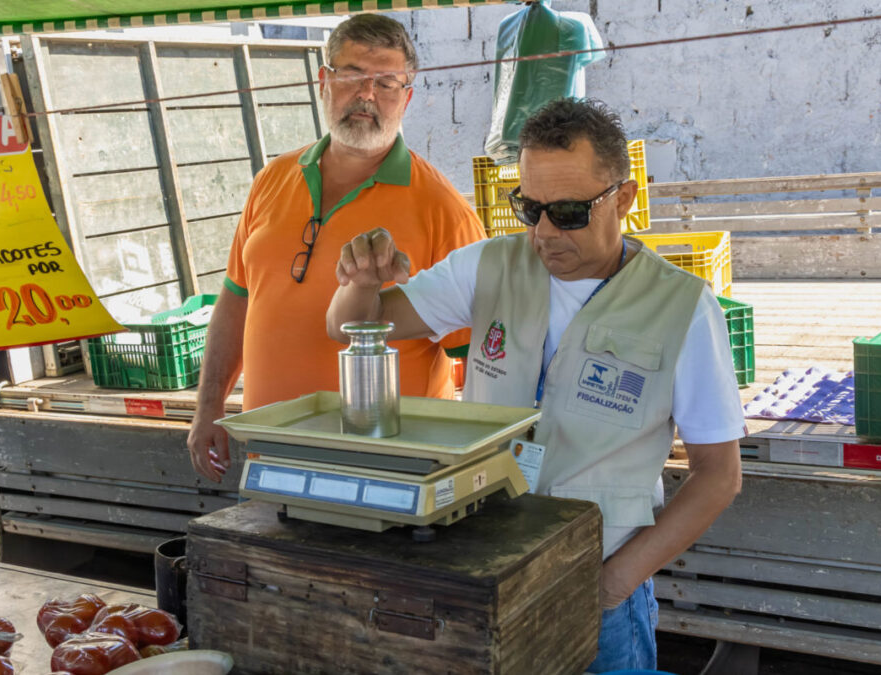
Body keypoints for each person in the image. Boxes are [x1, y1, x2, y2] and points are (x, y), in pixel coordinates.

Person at [326, 98, 743, 672]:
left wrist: (611, 584)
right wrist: (360, 281)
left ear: (623, 198)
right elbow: (355, 324)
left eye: (569, 211)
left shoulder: (683, 308)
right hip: (483, 570)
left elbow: (718, 476)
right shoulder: (490, 266)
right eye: (530, 207)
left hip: (601, 588)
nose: (545, 232)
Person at [188, 14, 485, 482]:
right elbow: (235, 303)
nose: (368, 95)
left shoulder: (442, 208)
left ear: (406, 97)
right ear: (323, 81)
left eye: (387, 82)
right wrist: (208, 409)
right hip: (273, 454)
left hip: (390, 466)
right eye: (352, 76)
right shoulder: (272, 180)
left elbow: (483, 356)